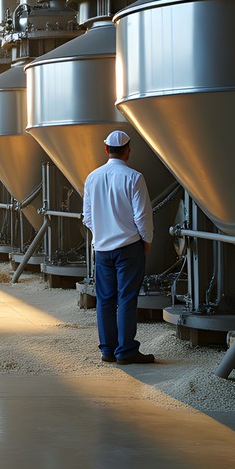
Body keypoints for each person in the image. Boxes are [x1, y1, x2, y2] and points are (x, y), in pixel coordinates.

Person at [82, 130, 155, 366]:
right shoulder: (134, 177)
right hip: (129, 247)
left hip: (102, 249)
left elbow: (88, 217)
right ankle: (127, 351)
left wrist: (101, 234)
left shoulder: (92, 177)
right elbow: (142, 217)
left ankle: (108, 350)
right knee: (126, 298)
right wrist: (146, 242)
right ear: (128, 150)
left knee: (104, 299)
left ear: (105, 150)